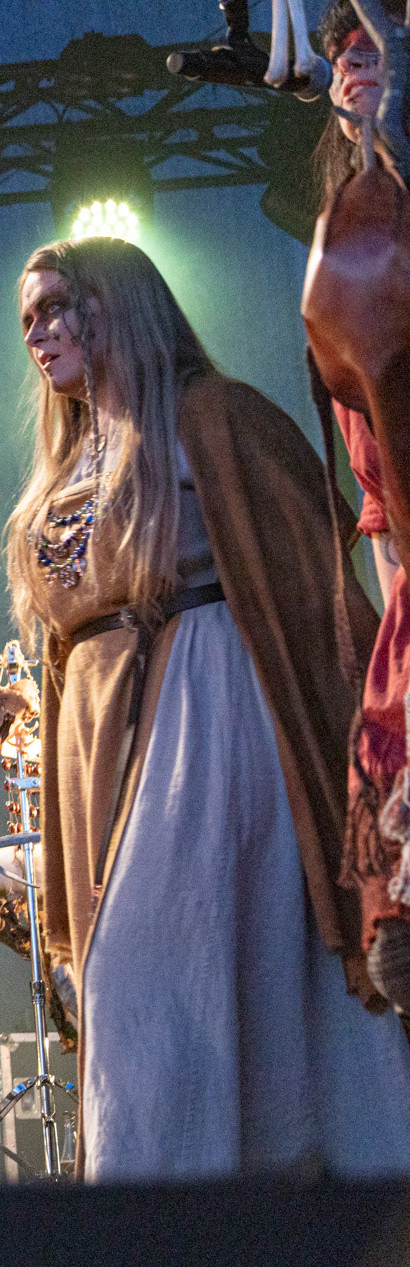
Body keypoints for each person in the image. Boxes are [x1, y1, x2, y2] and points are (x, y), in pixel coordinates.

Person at [7, 235, 410, 1179]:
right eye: (28, 317)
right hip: (100, 732)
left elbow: (319, 587)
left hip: (209, 713)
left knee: (167, 969)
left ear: (119, 305)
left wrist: (371, 747)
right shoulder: (68, 461)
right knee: (140, 980)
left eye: (59, 305)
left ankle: (188, 1200)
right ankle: (180, 1204)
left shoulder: (213, 417)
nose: (40, 331)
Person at [310, 0, 410, 1009]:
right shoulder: (344, 242)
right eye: (343, 48)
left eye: (377, 42)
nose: (354, 59)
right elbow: (376, 496)